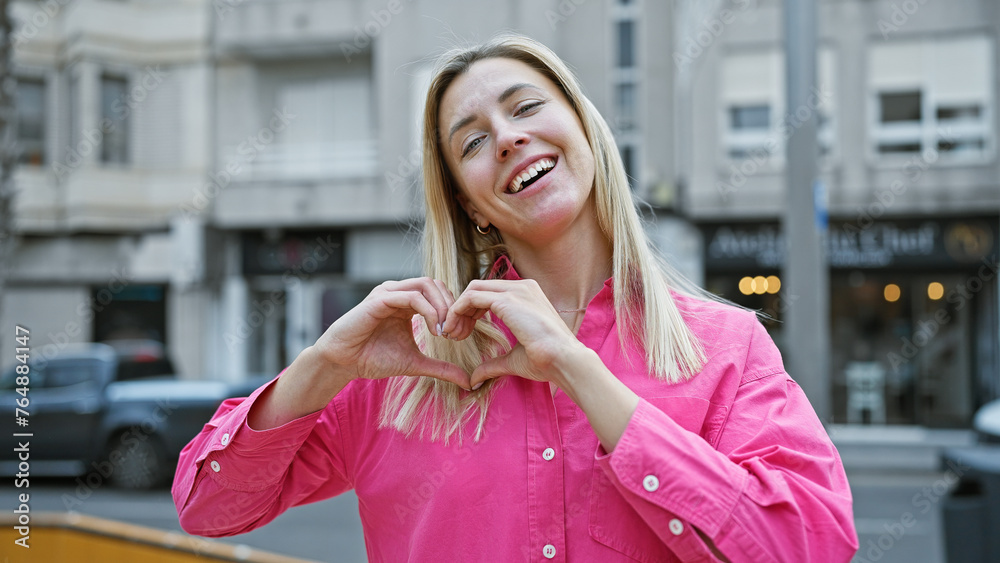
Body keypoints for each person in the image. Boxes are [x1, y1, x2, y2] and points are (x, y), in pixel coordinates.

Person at [173, 34, 859, 562]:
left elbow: (812, 546)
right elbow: (208, 506)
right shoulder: (402, 369)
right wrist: (324, 362)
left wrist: (577, 369)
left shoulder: (725, 348)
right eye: (472, 140)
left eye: (527, 106)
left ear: (585, 129)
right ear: (470, 204)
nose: (507, 137)